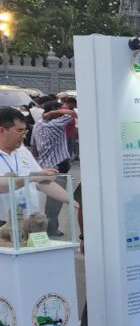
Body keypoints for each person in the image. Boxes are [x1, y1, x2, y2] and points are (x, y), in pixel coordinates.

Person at [0, 107, 70, 221]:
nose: (24, 136)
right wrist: (30, 178)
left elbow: (40, 182)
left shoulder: (23, 152)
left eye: (25, 131)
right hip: (4, 224)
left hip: (30, 223)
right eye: (19, 131)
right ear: (2, 130)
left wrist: (72, 201)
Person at [31, 101, 76, 236]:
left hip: (44, 165)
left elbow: (34, 146)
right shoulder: (56, 124)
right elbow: (71, 114)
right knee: (54, 203)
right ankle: (51, 230)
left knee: (49, 201)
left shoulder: (38, 124)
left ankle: (45, 227)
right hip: (58, 167)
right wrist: (54, 112)